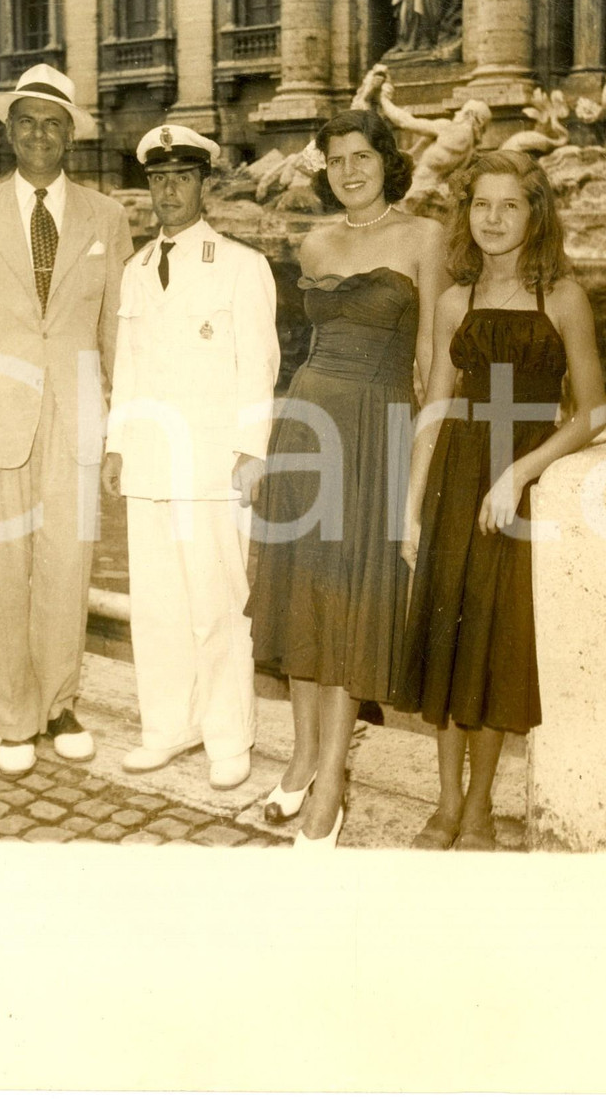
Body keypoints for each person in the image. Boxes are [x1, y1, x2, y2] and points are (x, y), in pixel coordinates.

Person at [247, 109, 450, 848]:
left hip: (374, 432)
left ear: (387, 161)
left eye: (362, 156)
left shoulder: (426, 237)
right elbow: (309, 350)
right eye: (336, 160)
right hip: (306, 425)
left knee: (348, 605)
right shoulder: (316, 242)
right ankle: (302, 757)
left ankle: (331, 780)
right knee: (303, 594)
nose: (350, 171)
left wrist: (416, 478)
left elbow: (436, 365)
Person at [395, 151, 606, 850]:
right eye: (481, 204)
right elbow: (435, 409)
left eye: (509, 205)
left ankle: (482, 804)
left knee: (492, 644)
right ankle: (447, 801)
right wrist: (410, 509)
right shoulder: (454, 301)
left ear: (534, 214)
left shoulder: (563, 298)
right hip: (457, 480)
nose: (492, 218)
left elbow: (593, 412)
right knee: (448, 639)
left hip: (517, 488)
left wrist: (521, 473)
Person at [0, 63, 133, 775]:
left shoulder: (107, 217)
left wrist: (122, 427)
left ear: (70, 135)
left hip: (76, 421)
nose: (40, 135)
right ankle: (14, 720)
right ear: (9, 131)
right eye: (27, 122)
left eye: (53, 123)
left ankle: (60, 706)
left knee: (66, 569)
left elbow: (118, 332)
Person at [102, 125, 280, 791]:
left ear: (204, 184)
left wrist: (251, 449)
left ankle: (229, 736)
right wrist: (117, 444)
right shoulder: (136, 270)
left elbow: (259, 364)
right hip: (150, 460)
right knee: (156, 605)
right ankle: (169, 725)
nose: (168, 191)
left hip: (211, 464)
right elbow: (128, 367)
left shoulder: (239, 265)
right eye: (158, 179)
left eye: (180, 178)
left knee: (217, 605)